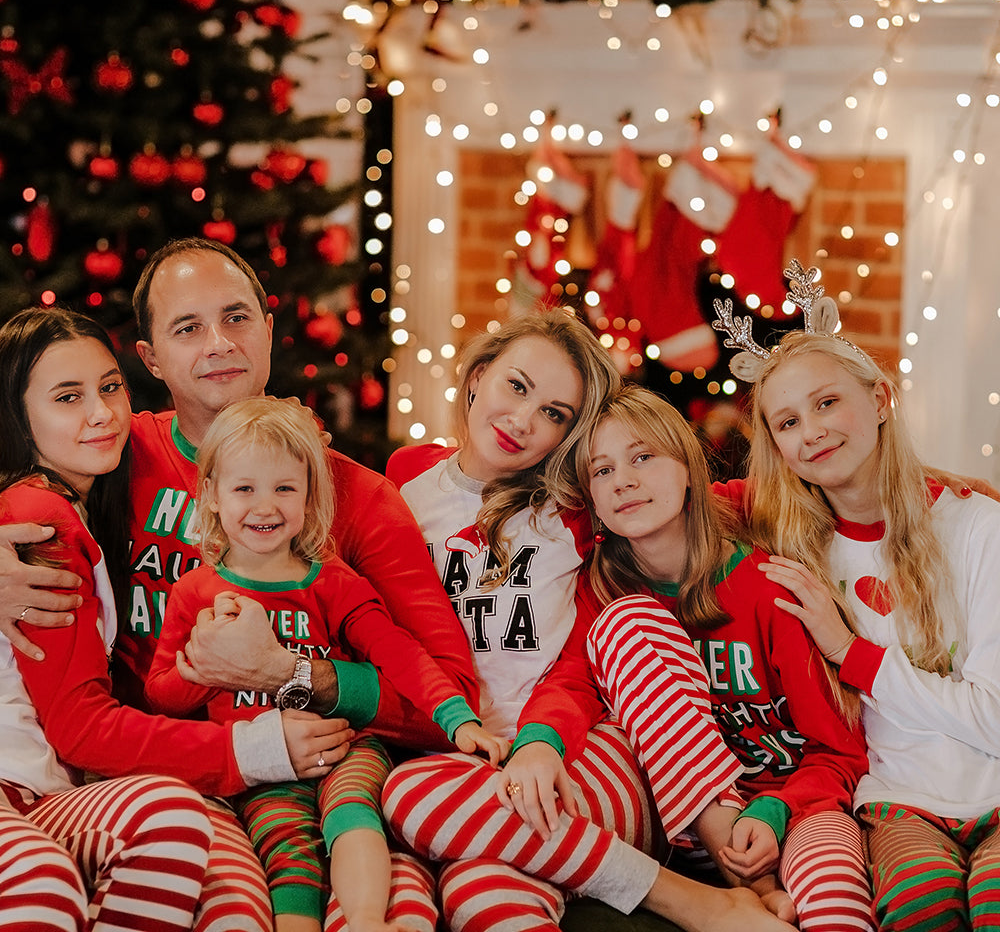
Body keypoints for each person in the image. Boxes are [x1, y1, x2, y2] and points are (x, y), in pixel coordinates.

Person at [0, 237, 478, 931]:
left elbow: (449, 695)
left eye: (236, 317)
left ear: (268, 328)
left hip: (318, 770)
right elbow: (22, 459)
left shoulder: (361, 499)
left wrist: (291, 672)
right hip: (152, 772)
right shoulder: (103, 450)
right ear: (151, 359)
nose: (219, 343)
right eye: (188, 328)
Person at [381, 309, 794, 932]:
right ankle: (697, 902)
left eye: (555, 414)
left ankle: (700, 899)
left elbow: (699, 491)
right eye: (517, 387)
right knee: (476, 884)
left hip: (576, 753)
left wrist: (540, 744)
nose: (524, 420)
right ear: (478, 376)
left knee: (413, 804)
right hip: (454, 762)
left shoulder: (574, 506)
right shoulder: (402, 483)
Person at [0, 306, 330, 930]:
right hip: (16, 782)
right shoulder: (35, 522)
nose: (102, 413)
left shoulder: (87, 500)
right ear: (19, 415)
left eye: (110, 387)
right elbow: (80, 728)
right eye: (68, 397)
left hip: (49, 791)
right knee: (52, 882)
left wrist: (286, 430)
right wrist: (258, 747)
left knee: (176, 826)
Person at [146, 397, 505, 932]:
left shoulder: (331, 581)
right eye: (244, 488)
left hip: (345, 744)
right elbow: (160, 694)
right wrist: (202, 673)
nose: (264, 507)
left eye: (284, 488)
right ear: (213, 498)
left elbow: (398, 651)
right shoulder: (196, 592)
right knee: (287, 848)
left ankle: (365, 919)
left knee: (354, 805)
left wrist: (458, 719)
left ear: (310, 498)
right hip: (263, 767)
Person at [716, 264, 1000, 930]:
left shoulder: (975, 527)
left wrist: (852, 653)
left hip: (993, 785)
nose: (810, 431)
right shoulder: (782, 536)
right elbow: (662, 496)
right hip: (895, 801)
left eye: (826, 403)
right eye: (786, 422)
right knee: (918, 906)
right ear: (776, 449)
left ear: (879, 399)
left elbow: (993, 718)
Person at [578, 383, 873, 931]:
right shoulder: (605, 602)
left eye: (643, 457)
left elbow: (839, 748)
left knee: (832, 897)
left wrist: (776, 809)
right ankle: (752, 892)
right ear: (590, 499)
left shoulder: (767, 588)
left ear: (689, 468)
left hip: (795, 805)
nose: (624, 479)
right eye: (602, 470)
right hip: (683, 825)